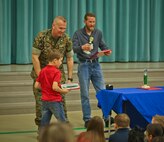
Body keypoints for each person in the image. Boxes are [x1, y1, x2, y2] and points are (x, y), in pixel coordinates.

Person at [30, 16, 74, 128]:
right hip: (42, 73)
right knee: (41, 106)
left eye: (64, 28)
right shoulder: (42, 36)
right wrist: (42, 77)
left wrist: (69, 78)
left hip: (57, 76)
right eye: (60, 28)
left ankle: (64, 128)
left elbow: (69, 58)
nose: (62, 31)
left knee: (60, 103)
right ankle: (42, 130)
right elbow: (35, 57)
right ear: (53, 26)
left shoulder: (66, 39)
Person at [72, 12, 111, 128]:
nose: (92, 24)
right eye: (90, 21)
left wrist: (106, 50)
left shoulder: (98, 32)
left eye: (93, 21)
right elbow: (73, 49)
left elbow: (102, 45)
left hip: (96, 65)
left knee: (103, 92)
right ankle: (87, 119)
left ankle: (107, 117)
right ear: (85, 21)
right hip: (83, 65)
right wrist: (82, 47)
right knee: (85, 94)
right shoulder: (78, 34)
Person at [35, 50, 69, 127]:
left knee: (44, 121)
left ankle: (42, 136)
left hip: (45, 100)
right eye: (60, 60)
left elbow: (36, 85)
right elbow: (54, 87)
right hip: (55, 100)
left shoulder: (42, 71)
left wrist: (45, 88)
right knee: (62, 120)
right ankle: (66, 136)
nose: (61, 63)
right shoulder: (57, 72)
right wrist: (63, 91)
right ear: (55, 61)